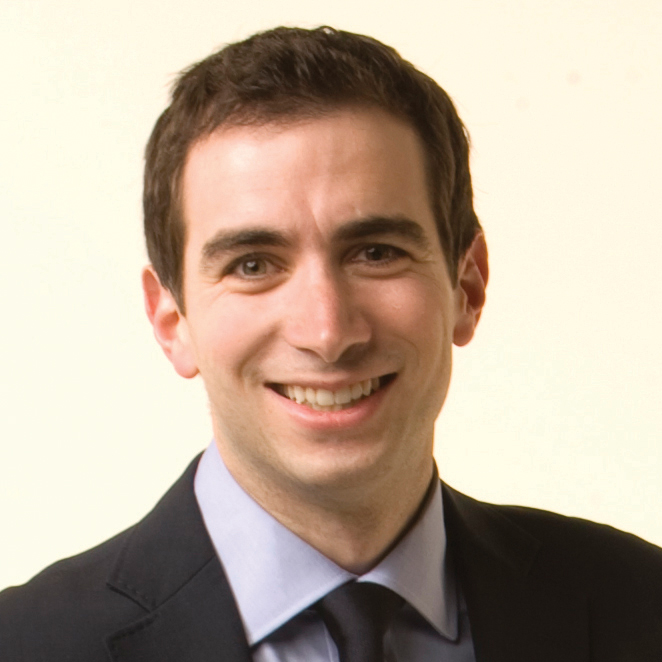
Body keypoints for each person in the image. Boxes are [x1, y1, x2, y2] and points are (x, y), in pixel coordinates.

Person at [1, 25, 661, 662]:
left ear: (468, 286)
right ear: (171, 320)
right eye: (253, 265)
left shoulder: (640, 609)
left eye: (376, 253)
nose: (327, 333)